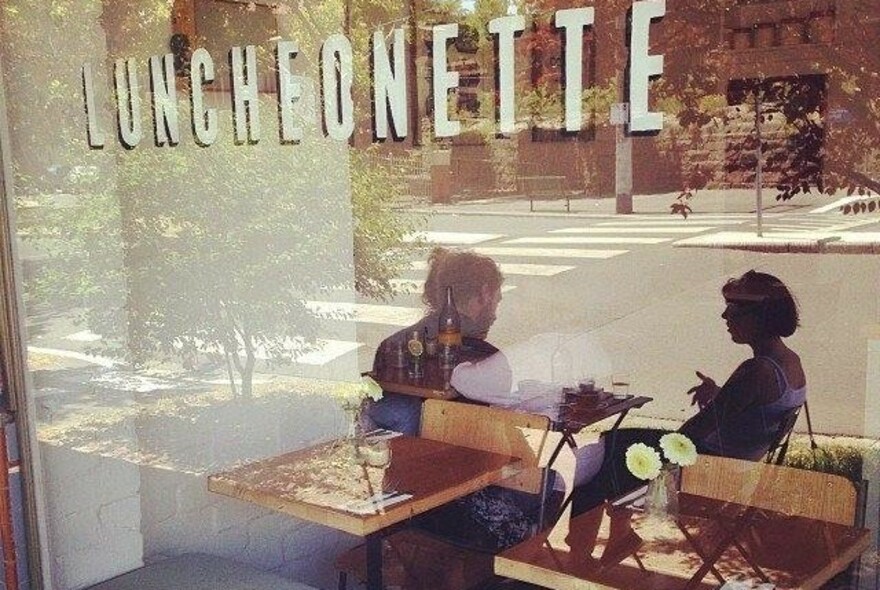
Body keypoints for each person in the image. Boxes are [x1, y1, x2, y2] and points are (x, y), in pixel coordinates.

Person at [571, 270, 807, 514]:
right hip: (735, 473)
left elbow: (692, 433)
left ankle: (588, 539)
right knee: (613, 453)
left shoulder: (758, 371)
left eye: (734, 309)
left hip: (710, 473)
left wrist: (658, 459)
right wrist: (719, 393)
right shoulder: (789, 361)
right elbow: (750, 411)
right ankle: (616, 534)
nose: (725, 315)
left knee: (611, 451)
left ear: (760, 316)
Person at [367, 246, 504, 435]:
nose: (495, 316)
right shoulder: (486, 361)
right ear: (485, 293)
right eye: (497, 302)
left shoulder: (392, 345)